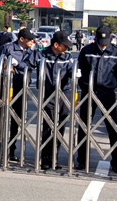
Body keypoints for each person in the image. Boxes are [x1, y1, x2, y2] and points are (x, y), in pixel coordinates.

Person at [0, 28, 38, 161]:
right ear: (22, 39)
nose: (32, 41)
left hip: (21, 87)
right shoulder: (7, 48)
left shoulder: (31, 52)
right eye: (30, 39)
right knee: (0, 115)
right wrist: (2, 78)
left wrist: (18, 66)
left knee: (16, 120)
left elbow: (30, 66)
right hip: (7, 87)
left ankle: (11, 149)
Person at [75, 26, 117, 173]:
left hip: (107, 93)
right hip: (89, 92)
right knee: (84, 126)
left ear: (111, 37)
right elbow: (81, 70)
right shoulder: (87, 51)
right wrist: (85, 85)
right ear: (95, 37)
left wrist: (111, 84)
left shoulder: (116, 52)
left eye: (106, 40)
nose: (103, 43)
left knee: (112, 127)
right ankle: (82, 160)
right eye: (101, 40)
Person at [24, 31, 74, 170]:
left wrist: (75, 74)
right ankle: (45, 157)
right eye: (65, 46)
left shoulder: (68, 57)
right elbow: (27, 64)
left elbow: (72, 70)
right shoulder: (41, 54)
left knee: (61, 124)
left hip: (65, 93)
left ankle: (54, 157)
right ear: (56, 44)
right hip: (48, 93)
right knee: (48, 125)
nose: (67, 49)